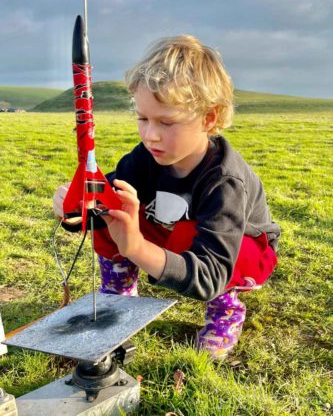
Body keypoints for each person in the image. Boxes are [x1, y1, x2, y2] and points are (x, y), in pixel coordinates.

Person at [53, 35, 280, 360]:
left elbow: (211, 274)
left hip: (240, 252)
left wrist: (137, 248)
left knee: (190, 236)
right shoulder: (144, 158)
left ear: (209, 117)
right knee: (116, 207)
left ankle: (226, 311)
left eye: (166, 122)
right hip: (173, 233)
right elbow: (103, 204)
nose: (149, 135)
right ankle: (119, 295)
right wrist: (75, 210)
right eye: (143, 119)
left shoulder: (225, 181)